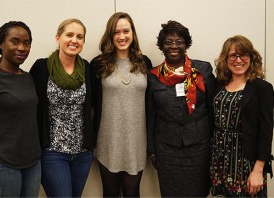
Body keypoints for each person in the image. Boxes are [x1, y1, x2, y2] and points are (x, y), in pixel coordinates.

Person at [146, 20, 216, 197]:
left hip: (199, 148)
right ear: (161, 46)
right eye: (168, 42)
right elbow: (150, 115)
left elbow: (213, 109)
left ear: (186, 44)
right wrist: (152, 150)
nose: (174, 46)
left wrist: (215, 146)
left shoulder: (202, 70)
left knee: (198, 193)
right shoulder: (153, 76)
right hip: (167, 150)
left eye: (179, 42)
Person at [0, 21, 41, 197]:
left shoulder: (28, 78)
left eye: (27, 43)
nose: (22, 48)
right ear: (0, 43)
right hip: (0, 164)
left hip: (32, 164)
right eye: (15, 41)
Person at [29, 18, 94, 197]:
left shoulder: (87, 68)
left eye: (80, 37)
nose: (74, 40)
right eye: (69, 35)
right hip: (52, 152)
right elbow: (29, 103)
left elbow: (92, 103)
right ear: (58, 38)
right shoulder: (41, 67)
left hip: (83, 153)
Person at [90, 12, 152, 197]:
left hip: (136, 141)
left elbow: (150, 104)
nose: (122, 36)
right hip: (108, 140)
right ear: (110, 35)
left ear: (133, 33)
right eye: (116, 32)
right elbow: (90, 104)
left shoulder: (144, 63)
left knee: (133, 193)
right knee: (110, 192)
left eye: (126, 31)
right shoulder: (98, 64)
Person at [210, 35, 273, 197]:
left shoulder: (262, 88)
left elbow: (266, 131)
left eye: (243, 55)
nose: (238, 60)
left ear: (251, 58)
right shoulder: (218, 85)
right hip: (219, 160)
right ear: (226, 58)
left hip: (246, 163)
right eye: (233, 55)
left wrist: (258, 170)